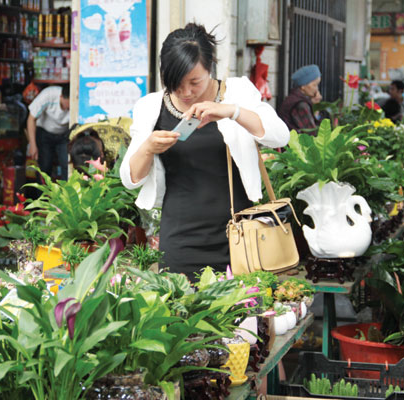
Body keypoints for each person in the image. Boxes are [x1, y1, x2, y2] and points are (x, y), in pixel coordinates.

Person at [119, 23, 289, 281]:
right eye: (176, 83)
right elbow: (130, 178)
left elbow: (280, 134)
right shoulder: (150, 107)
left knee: (241, 316)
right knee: (181, 314)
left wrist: (232, 112)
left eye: (195, 82)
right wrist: (148, 148)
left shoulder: (238, 92)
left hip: (239, 235)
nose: (186, 92)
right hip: (180, 239)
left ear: (210, 68)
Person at [26, 84, 70, 180]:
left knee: (67, 165)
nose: (68, 108)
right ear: (61, 97)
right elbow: (31, 119)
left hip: (64, 135)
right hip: (44, 133)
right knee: (44, 166)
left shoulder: (76, 102)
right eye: (67, 104)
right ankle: (42, 194)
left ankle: (66, 194)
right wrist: (32, 144)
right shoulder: (48, 95)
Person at [277, 64, 321, 134]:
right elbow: (311, 133)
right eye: (314, 85)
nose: (317, 89)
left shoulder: (294, 98)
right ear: (303, 86)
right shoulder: (300, 105)